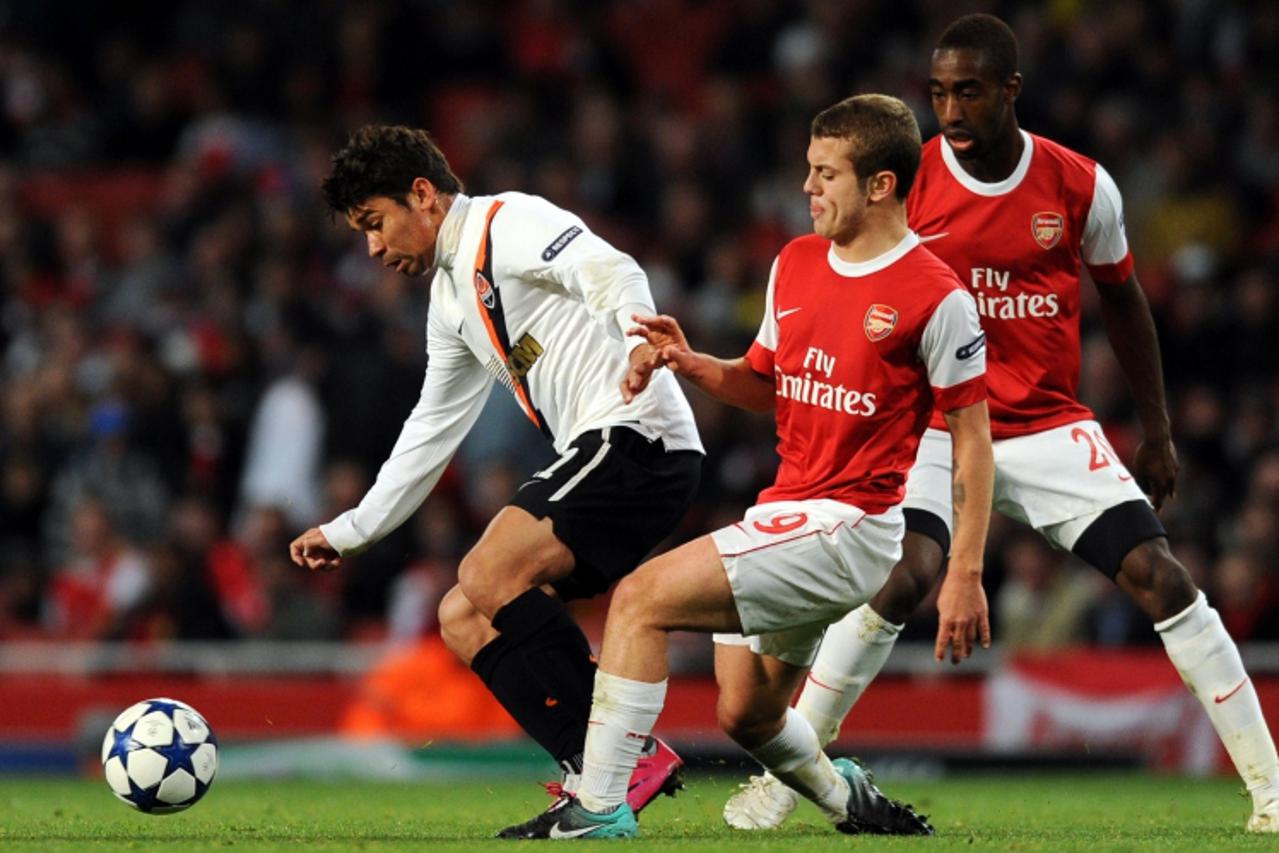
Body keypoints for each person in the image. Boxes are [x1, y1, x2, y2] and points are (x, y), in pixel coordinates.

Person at [721, 14, 1279, 835]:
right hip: (936, 424)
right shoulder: (907, 186)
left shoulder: (1079, 184)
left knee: (1161, 576)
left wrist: (1155, 429)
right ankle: (792, 773)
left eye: (969, 92)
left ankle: (1269, 790)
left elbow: (1123, 299)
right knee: (900, 576)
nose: (949, 110)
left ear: (1009, 91)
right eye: (939, 92)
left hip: (1045, 422)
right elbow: (849, 288)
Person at [503, 93, 993, 840]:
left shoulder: (937, 298)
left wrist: (963, 570)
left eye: (826, 173)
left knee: (638, 599)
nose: (807, 187)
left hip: (851, 525)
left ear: (881, 185)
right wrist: (692, 362)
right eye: (808, 169)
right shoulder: (794, 263)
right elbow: (765, 383)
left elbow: (972, 443)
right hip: (786, 511)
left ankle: (598, 804)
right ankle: (849, 801)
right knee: (749, 714)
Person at [288, 125, 704, 817]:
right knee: (461, 614)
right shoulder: (449, 300)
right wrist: (351, 529)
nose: (372, 247)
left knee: (487, 573)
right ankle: (592, 768)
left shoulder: (508, 222)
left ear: (422, 194)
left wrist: (639, 339)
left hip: (637, 438)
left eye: (375, 222)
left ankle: (621, 756)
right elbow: (431, 429)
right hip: (604, 453)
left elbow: (615, 269)